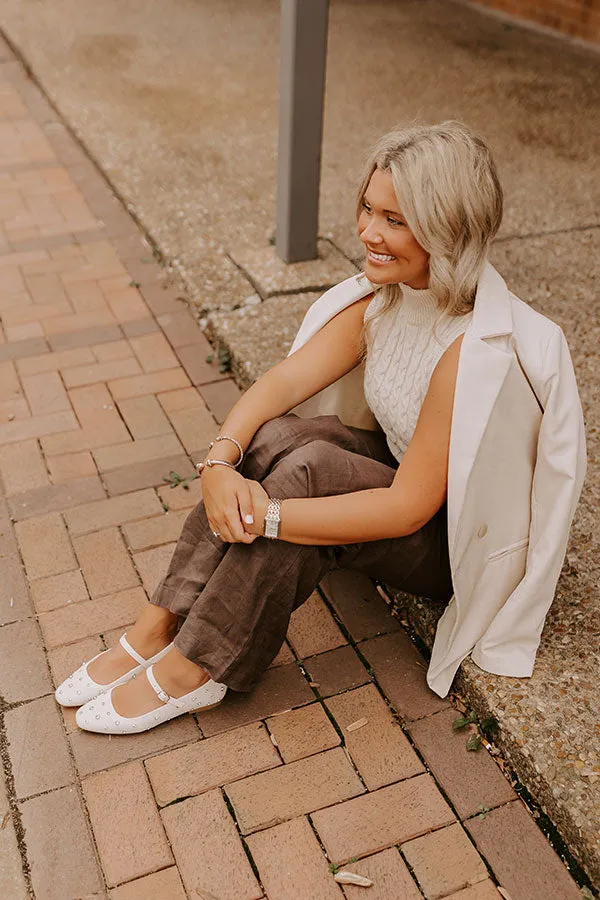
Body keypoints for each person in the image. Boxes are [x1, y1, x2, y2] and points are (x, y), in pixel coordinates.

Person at [55, 121, 586, 735]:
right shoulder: (386, 298)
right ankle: (159, 624)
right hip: (400, 475)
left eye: (395, 219)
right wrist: (220, 465)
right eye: (368, 207)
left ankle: (198, 668)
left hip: (451, 537)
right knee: (278, 438)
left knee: (310, 474)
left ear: (449, 229)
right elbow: (283, 385)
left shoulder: (473, 349)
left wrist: (265, 515)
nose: (367, 231)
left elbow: (407, 510)